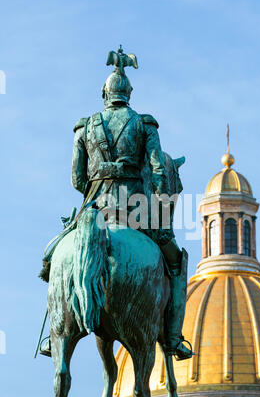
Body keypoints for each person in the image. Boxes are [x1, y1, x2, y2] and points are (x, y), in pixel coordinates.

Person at [40, 47, 193, 361]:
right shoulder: (145, 125)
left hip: (94, 209)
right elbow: (159, 171)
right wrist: (158, 203)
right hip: (137, 211)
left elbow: (77, 180)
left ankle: (53, 333)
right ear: (129, 94)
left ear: (104, 94)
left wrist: (93, 193)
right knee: (176, 264)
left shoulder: (85, 127)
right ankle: (175, 339)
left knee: (51, 259)